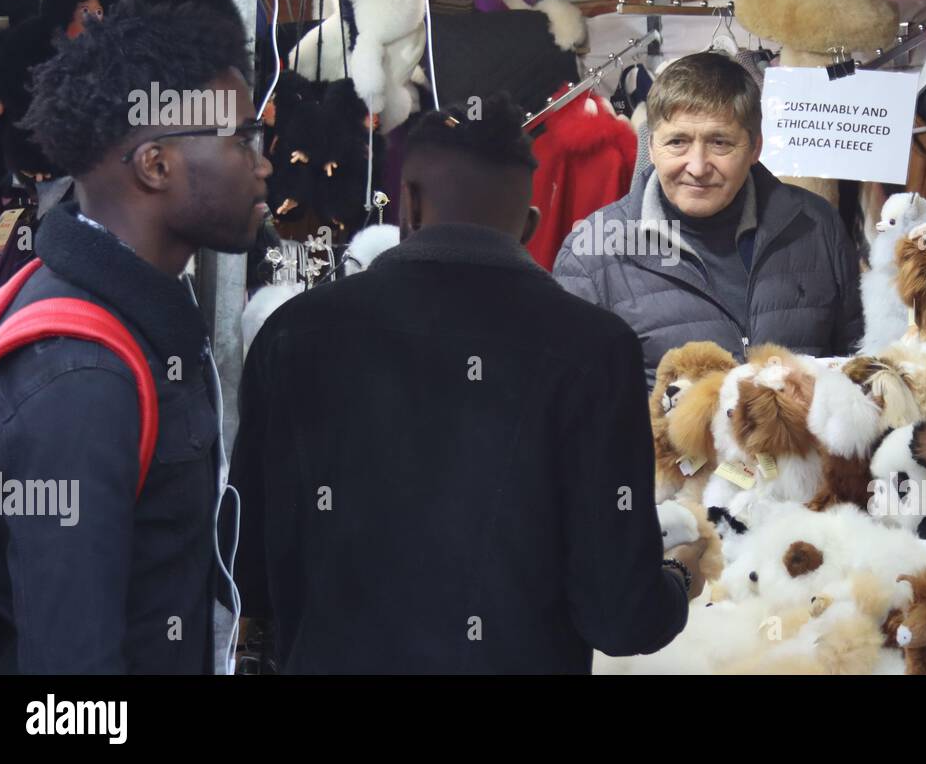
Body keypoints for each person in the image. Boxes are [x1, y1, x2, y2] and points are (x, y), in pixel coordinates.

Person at [230, 96, 700, 674]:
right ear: (529, 223)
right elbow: (621, 618)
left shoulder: (292, 335)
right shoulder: (594, 351)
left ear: (407, 205)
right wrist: (680, 576)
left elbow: (244, 574)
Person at [0, 0, 270, 673]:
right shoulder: (84, 378)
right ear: (156, 165)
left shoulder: (132, 323)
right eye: (241, 139)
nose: (263, 166)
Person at [553, 51, 863, 386]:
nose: (698, 167)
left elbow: (857, 370)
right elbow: (574, 405)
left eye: (720, 143)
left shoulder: (816, 227)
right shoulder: (592, 254)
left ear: (755, 147)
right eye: (678, 142)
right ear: (653, 145)